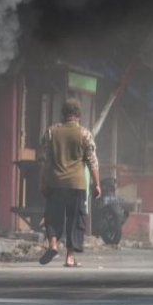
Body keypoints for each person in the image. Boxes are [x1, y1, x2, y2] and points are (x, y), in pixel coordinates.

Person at [38, 97, 101, 267]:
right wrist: (97, 184)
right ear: (79, 115)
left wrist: (42, 181)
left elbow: (44, 160)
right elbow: (92, 161)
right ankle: (70, 257)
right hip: (76, 184)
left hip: (55, 182)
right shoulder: (85, 134)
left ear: (63, 114)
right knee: (75, 219)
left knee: (53, 216)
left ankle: (52, 244)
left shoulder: (51, 132)